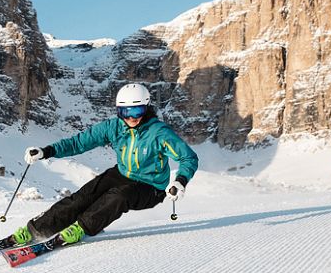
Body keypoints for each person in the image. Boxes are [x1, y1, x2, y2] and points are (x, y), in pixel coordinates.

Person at [13, 82, 199, 246]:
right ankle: (36, 230)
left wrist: (180, 181)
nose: (131, 117)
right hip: (122, 174)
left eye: (137, 111)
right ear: (119, 111)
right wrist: (47, 151)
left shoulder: (159, 133)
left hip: (151, 187)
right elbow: (79, 142)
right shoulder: (114, 127)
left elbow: (188, 157)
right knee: (83, 197)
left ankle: (81, 228)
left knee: (119, 196)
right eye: (125, 112)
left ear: (147, 108)